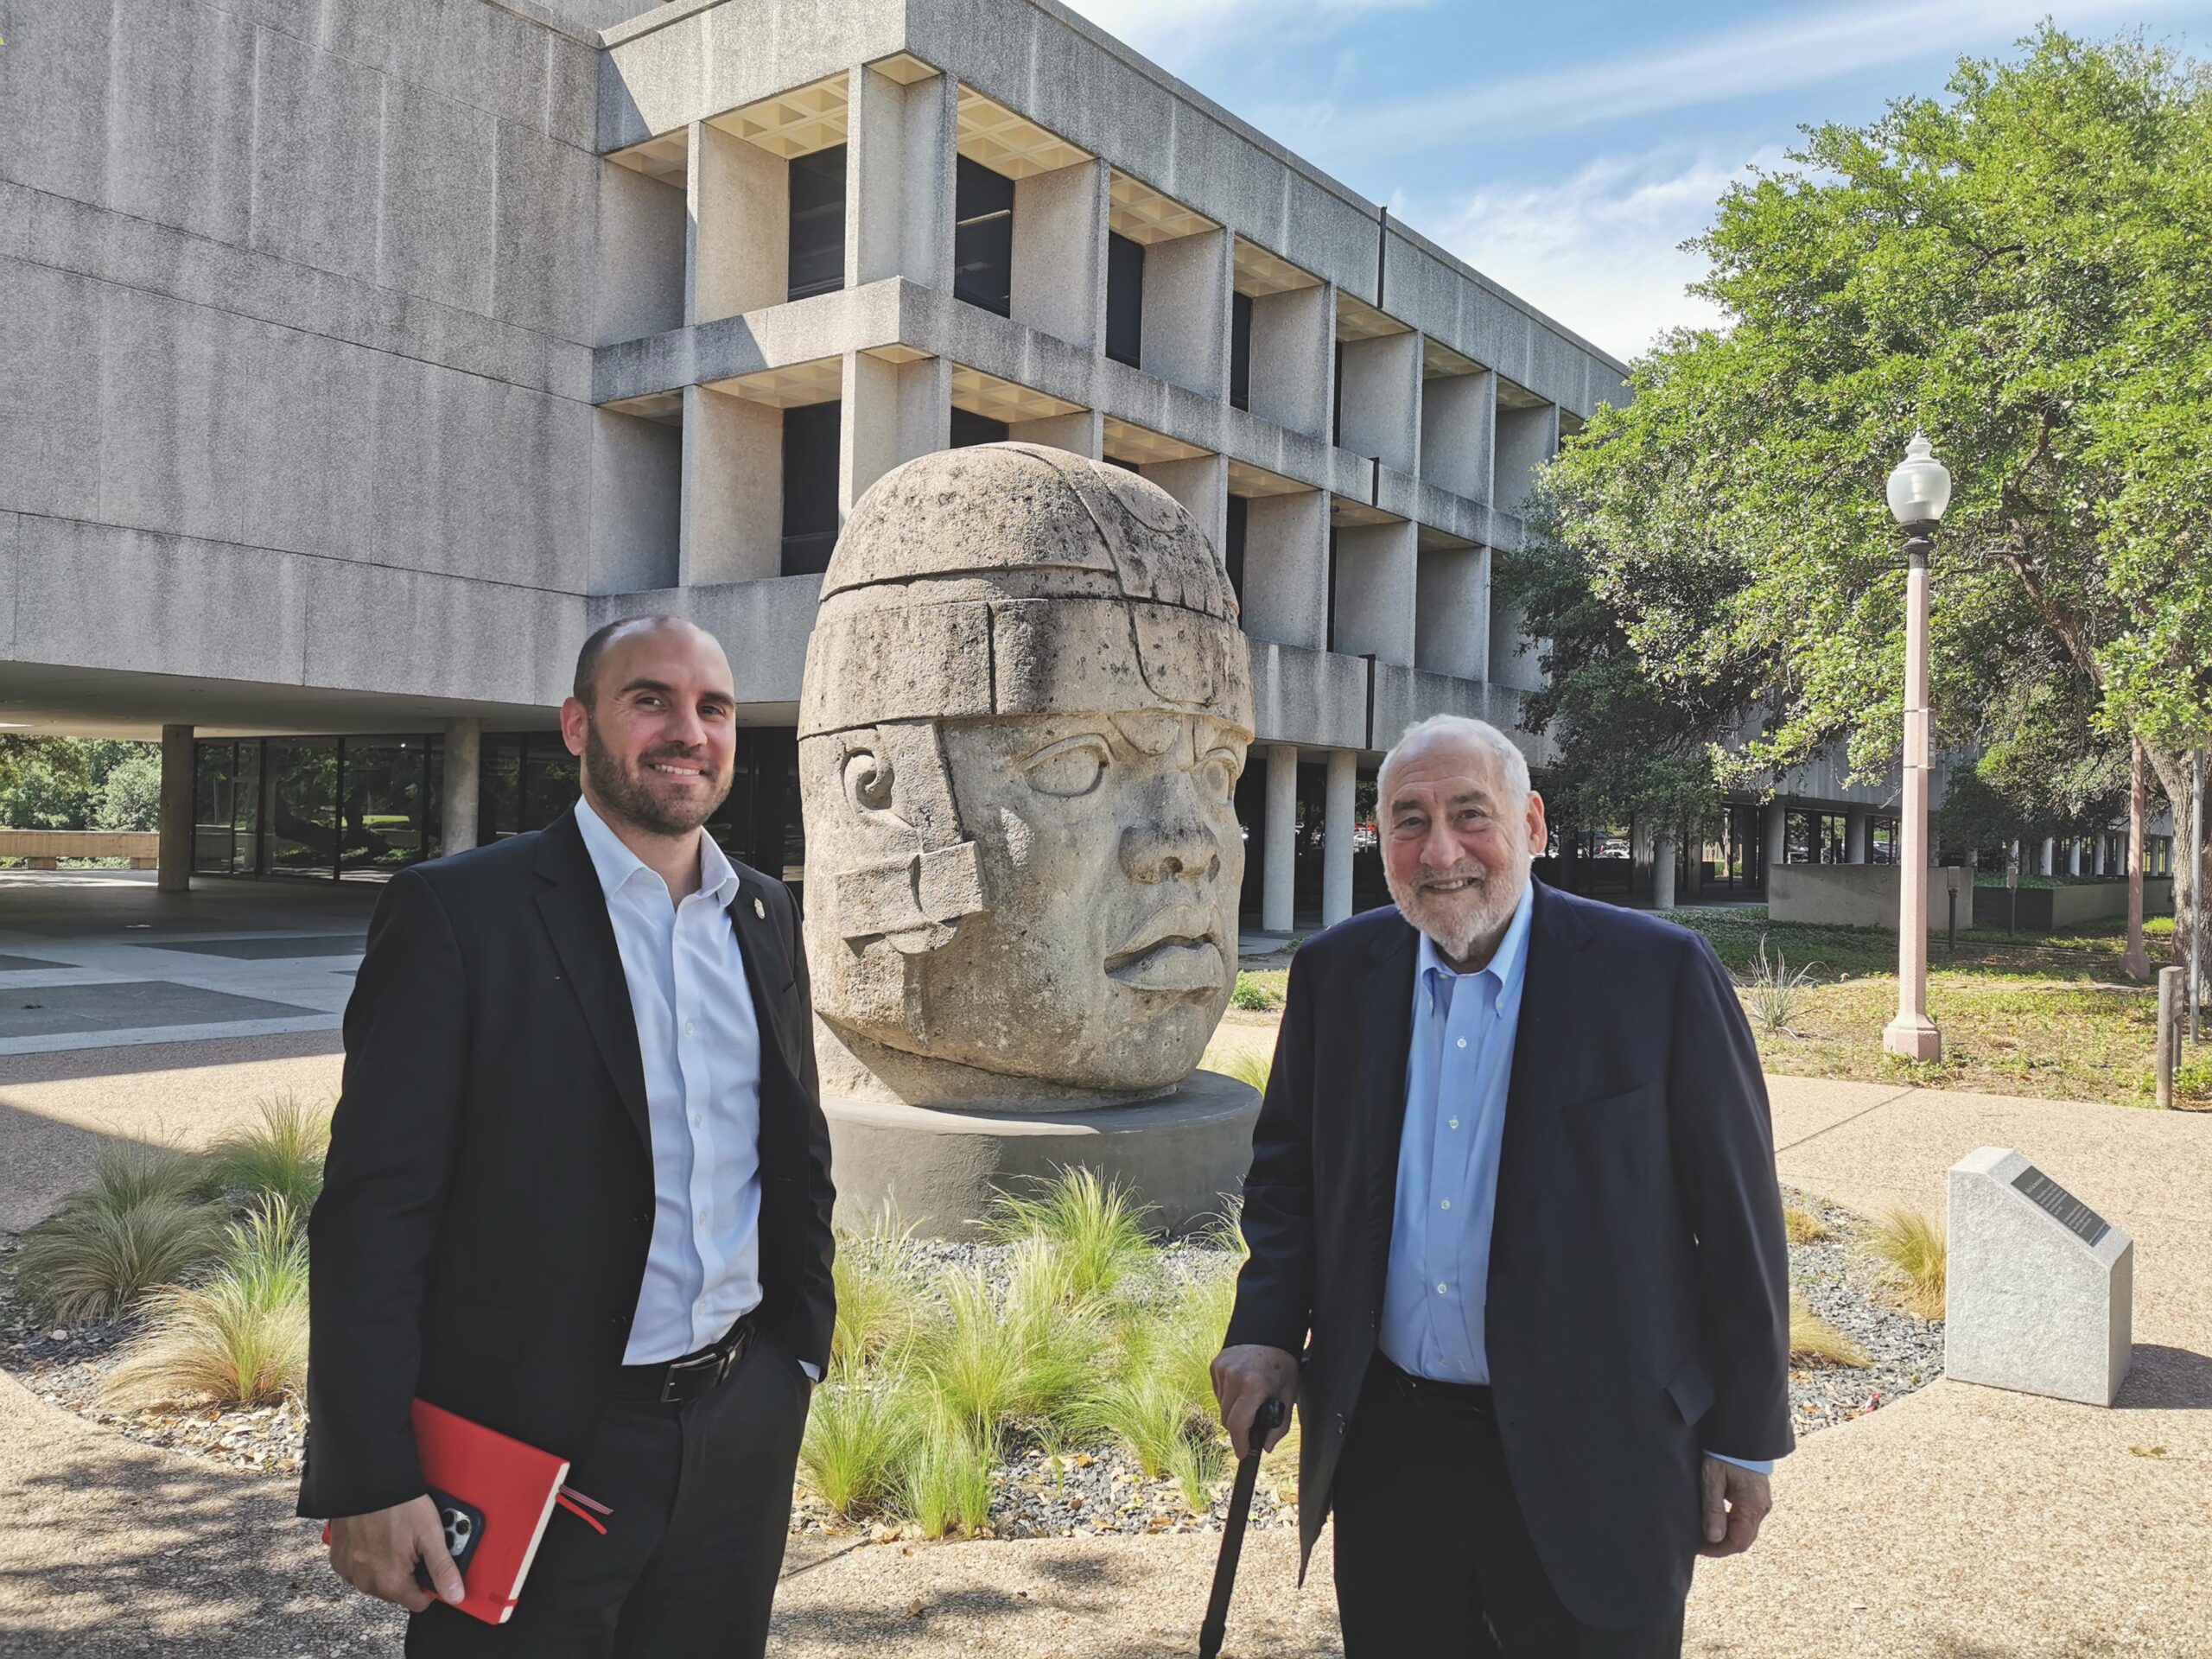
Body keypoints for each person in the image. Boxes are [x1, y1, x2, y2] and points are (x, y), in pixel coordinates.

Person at [300, 614, 836, 1656]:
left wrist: (795, 1363)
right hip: (530, 1444)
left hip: (738, 1429)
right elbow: (375, 1211)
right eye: (651, 699)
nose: (689, 730)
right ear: (576, 726)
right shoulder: (458, 914)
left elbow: (794, 1155)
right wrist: (369, 1473)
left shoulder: (764, 914)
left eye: (713, 707)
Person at [1212, 714, 1791, 1657]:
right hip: (1389, 1453)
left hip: (1599, 1447)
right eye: (1407, 821)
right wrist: (1268, 1329)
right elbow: (1290, 1183)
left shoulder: (1657, 975)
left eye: (1468, 815)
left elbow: (1737, 1221)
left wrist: (1743, 1434)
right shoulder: (1334, 975)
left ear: (1530, 824)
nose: (1440, 851)